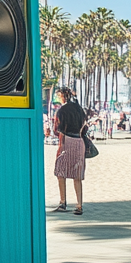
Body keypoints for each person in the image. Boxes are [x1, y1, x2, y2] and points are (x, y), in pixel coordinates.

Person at [52, 87, 88, 215]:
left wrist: (60, 148)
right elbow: (84, 127)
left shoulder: (62, 111)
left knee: (60, 171)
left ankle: (63, 202)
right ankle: (79, 205)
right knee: (77, 175)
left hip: (67, 141)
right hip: (79, 142)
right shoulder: (79, 109)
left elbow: (60, 131)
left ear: (62, 97)